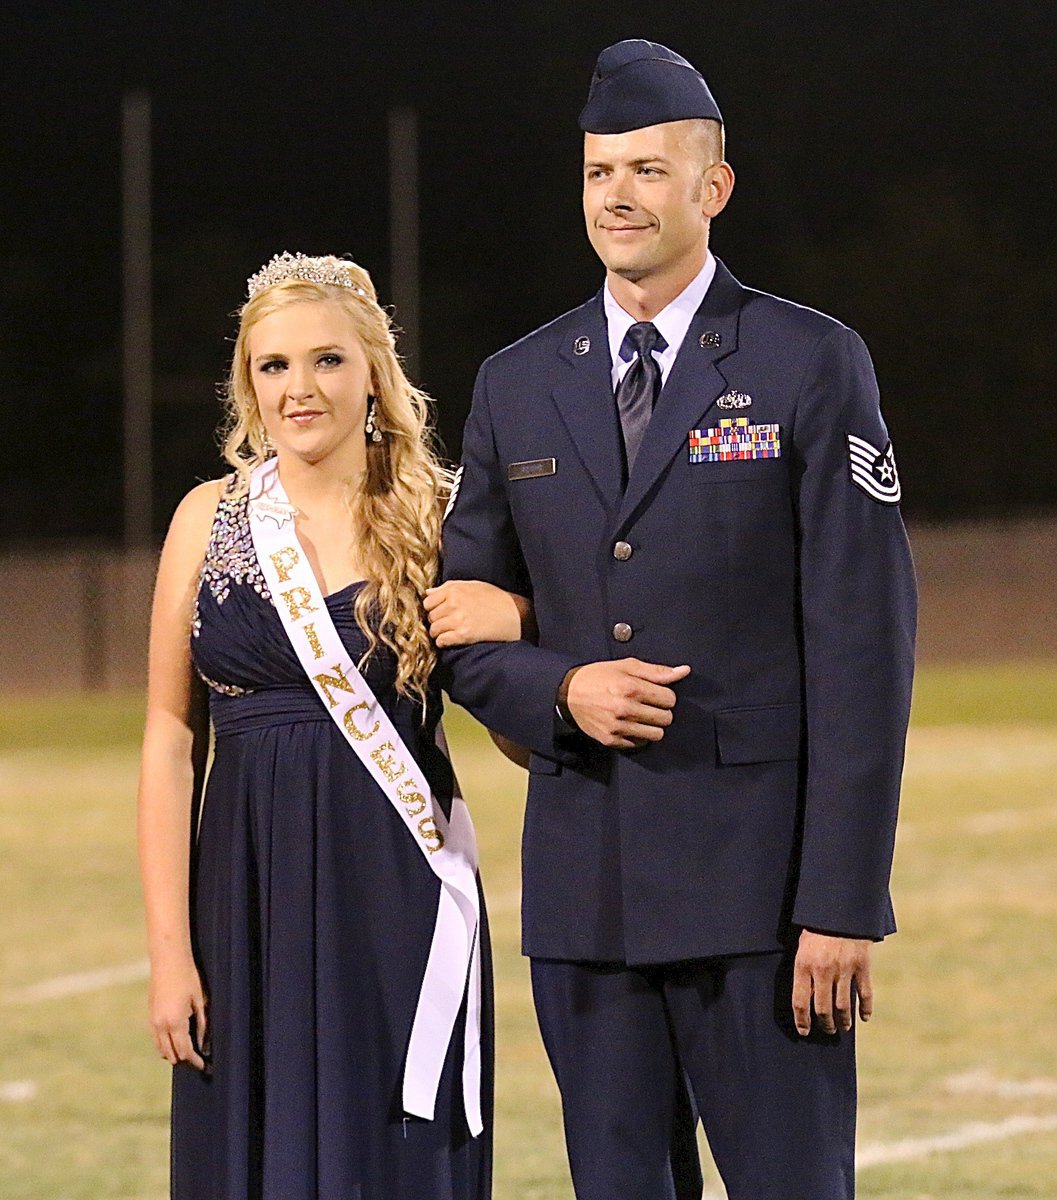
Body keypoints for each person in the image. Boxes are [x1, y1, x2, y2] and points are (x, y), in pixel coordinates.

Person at [433, 39, 917, 1200]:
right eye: (600, 171)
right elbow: (458, 628)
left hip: (762, 904)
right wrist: (559, 689)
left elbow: (865, 645)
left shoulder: (809, 361)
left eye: (650, 170)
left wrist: (841, 903)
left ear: (714, 187)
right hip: (585, 903)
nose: (618, 195)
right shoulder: (516, 379)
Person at [137, 252, 525, 1200]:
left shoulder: (440, 516)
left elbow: (517, 725)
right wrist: (169, 951)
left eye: (327, 361)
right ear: (248, 384)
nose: (298, 389)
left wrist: (520, 621)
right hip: (245, 896)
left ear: (373, 375)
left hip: (393, 887)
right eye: (272, 366)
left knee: (386, 1155)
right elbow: (168, 737)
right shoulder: (207, 517)